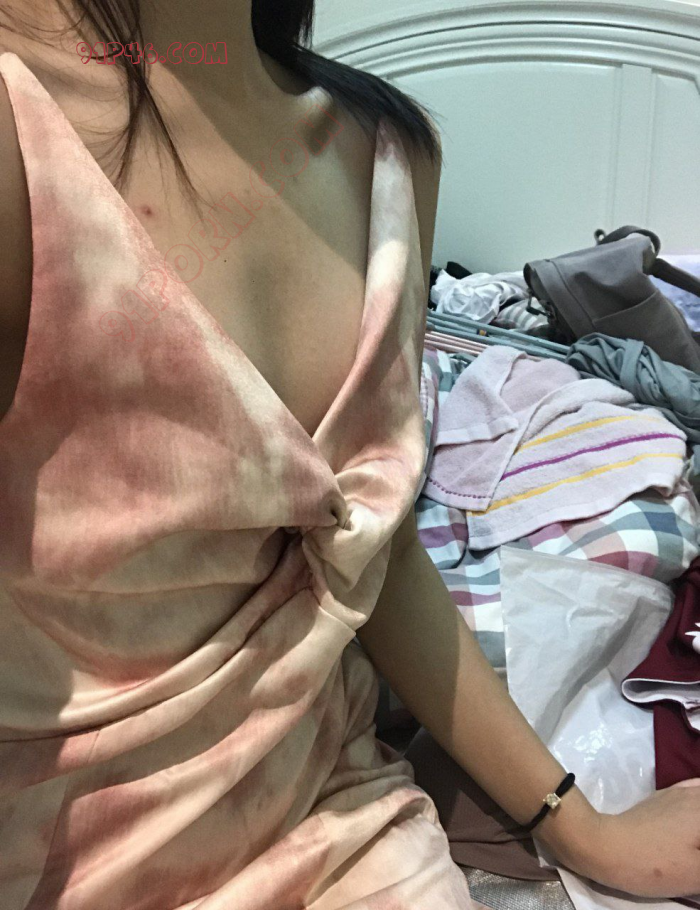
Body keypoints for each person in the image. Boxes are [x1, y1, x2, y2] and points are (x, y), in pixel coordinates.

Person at [0, 1, 698, 907]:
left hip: (339, 821)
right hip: (60, 858)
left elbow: (376, 549)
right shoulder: (23, 128)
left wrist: (583, 828)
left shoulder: (383, 152)